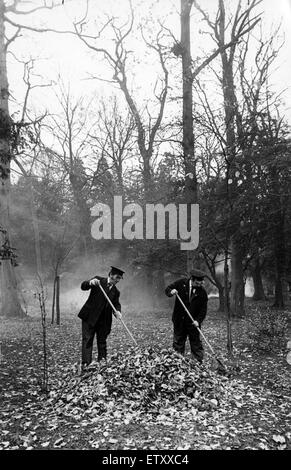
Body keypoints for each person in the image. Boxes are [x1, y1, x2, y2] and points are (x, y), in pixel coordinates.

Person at [78, 266, 124, 368]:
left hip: (104, 321)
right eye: (116, 277)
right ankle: (86, 364)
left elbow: (116, 304)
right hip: (89, 317)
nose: (117, 280)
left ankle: (102, 364)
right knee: (87, 340)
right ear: (111, 275)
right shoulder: (98, 281)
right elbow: (83, 286)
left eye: (119, 278)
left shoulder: (116, 292)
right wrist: (90, 283)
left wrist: (118, 312)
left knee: (102, 342)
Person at [165, 268, 208, 363]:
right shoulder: (181, 283)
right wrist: (171, 292)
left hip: (193, 322)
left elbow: (203, 310)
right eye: (197, 283)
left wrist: (198, 321)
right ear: (192, 280)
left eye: (201, 283)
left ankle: (198, 364)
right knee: (178, 343)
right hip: (179, 320)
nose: (199, 285)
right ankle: (177, 363)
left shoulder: (202, 292)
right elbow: (168, 289)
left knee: (196, 344)